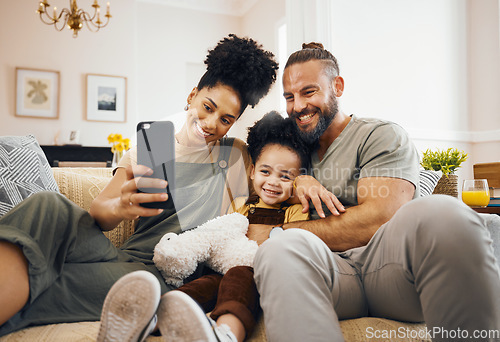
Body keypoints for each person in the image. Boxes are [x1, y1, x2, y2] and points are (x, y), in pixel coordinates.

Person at [0, 34, 279, 338]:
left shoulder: (236, 154)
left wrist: (300, 179)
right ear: (192, 95)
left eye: (226, 119)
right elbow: (99, 213)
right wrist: (120, 206)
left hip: (160, 276)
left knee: (53, 281)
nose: (212, 123)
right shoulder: (155, 141)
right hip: (121, 255)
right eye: (207, 107)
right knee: (47, 204)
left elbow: (273, 184)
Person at [250, 43, 500, 342]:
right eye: (289, 97)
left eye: (308, 92)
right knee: (279, 249)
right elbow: (265, 179)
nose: (297, 106)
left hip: (391, 273)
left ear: (337, 87)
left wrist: (277, 229)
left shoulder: (379, 135)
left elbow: (379, 218)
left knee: (443, 212)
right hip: (330, 274)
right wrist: (298, 182)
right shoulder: (293, 148)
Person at [150, 111, 312, 342]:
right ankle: (158, 315)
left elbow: (293, 245)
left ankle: (227, 331)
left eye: (285, 177)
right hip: (224, 271)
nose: (273, 182)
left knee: (238, 278)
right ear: (253, 171)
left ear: (297, 180)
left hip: (261, 277)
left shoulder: (294, 211)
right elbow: (222, 234)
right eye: (266, 172)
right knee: (205, 284)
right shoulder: (241, 205)